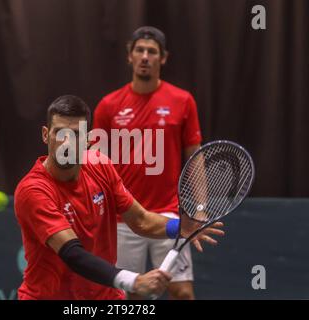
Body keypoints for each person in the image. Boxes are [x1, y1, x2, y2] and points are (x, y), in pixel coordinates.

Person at [14, 95, 223, 299]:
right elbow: (73, 255)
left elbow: (140, 220)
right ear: (45, 134)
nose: (67, 143)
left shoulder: (100, 166)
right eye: (60, 133)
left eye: (76, 134)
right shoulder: (33, 190)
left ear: (88, 139)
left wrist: (180, 228)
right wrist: (134, 281)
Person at [93, 26, 203, 300]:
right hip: (123, 218)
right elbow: (95, 165)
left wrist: (200, 208)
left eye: (152, 52)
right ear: (129, 56)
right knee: (130, 296)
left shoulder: (182, 101)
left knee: (182, 293)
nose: (145, 56)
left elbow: (196, 157)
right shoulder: (108, 106)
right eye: (139, 50)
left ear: (163, 58)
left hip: (168, 215)